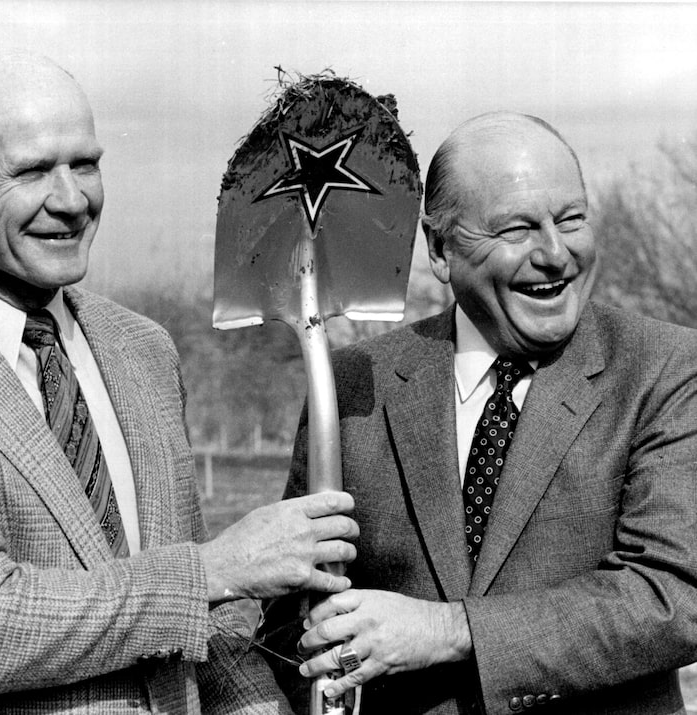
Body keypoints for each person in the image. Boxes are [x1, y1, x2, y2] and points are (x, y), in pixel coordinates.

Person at [0, 51, 359, 714]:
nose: (72, 200)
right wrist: (215, 569)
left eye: (87, 163)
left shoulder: (143, 350)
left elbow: (199, 629)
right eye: (35, 170)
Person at [262, 112, 697, 714]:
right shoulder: (353, 384)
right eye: (517, 229)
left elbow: (671, 595)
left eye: (571, 219)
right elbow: (292, 613)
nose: (555, 253)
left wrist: (447, 631)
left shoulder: (665, 368)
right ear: (440, 249)